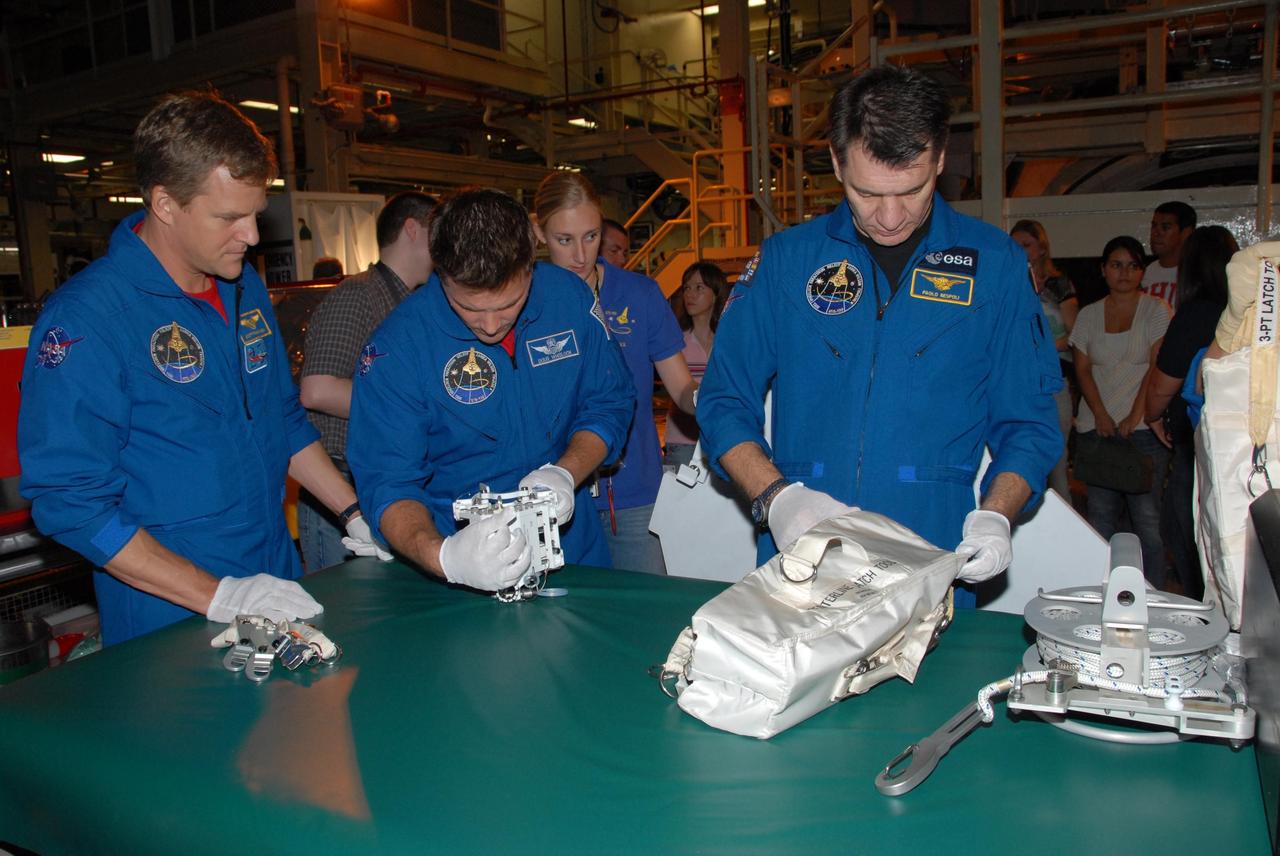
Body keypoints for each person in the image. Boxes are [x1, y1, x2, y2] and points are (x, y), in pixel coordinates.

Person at [17, 91, 383, 645]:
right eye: (230, 218)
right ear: (165, 204)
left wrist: (353, 513)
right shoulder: (90, 320)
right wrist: (217, 596)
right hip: (170, 613)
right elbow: (69, 501)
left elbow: (280, 419)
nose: (253, 237)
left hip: (272, 575)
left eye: (255, 214)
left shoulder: (243, 287)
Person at [697, 65, 1061, 607]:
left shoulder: (996, 267)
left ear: (940, 158)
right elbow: (724, 401)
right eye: (867, 194)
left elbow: (1030, 425)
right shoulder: (786, 262)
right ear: (837, 162)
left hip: (931, 559)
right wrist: (777, 499)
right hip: (803, 559)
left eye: (913, 190)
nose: (890, 217)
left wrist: (996, 515)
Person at [346, 188, 633, 592]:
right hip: (461, 572)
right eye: (472, 309)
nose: (493, 324)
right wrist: (444, 557)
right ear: (441, 274)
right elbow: (389, 482)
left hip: (575, 558)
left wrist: (565, 472)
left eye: (510, 303)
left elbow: (609, 402)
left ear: (532, 266)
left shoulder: (568, 300)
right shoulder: (400, 348)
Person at [533, 172, 697, 575]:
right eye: (564, 240)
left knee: (648, 616)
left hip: (635, 493)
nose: (580, 256)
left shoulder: (638, 294)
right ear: (538, 232)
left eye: (590, 237)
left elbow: (680, 387)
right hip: (555, 494)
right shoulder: (525, 300)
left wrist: (708, 399)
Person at [297, 191, 436, 572]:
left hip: (386, 482)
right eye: (436, 230)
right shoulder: (358, 296)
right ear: (412, 229)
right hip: (340, 489)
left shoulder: (411, 303)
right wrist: (405, 403)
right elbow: (317, 389)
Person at [1071, 235, 1172, 587]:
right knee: (1100, 519)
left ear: (1142, 271)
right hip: (1097, 430)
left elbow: (1157, 365)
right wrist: (1099, 413)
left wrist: (1135, 414)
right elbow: (1081, 369)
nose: (1124, 272)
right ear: (1103, 270)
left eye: (1132, 265)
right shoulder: (1088, 314)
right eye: (1116, 265)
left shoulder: (1156, 310)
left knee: (1147, 523)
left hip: (1143, 430)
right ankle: (1102, 593)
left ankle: (1155, 595)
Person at [1144, 225, 1238, 598]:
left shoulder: (1194, 314)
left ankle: (1204, 620)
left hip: (1199, 444)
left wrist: (1153, 415)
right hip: (1241, 448)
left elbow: (1163, 386)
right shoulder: (1242, 313)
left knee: (1189, 536)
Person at [1011, 219, 1078, 499]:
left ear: (1042, 247)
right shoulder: (1010, 283)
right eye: (1014, 245)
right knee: (1021, 453)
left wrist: (1041, 345)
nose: (1020, 250)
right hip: (1019, 379)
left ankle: (1065, 526)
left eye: (1026, 245)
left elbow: (1075, 334)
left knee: (1057, 459)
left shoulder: (1059, 284)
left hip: (1055, 378)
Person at [664, 262, 729, 468]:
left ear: (716, 293)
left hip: (722, 439)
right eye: (686, 288)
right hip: (682, 442)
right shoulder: (673, 343)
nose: (690, 294)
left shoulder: (729, 342)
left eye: (699, 288)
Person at [1143, 201, 1196, 308]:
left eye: (1165, 227)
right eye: (1154, 226)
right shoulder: (1144, 272)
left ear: (1186, 232)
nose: (1156, 233)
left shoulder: (1196, 273)